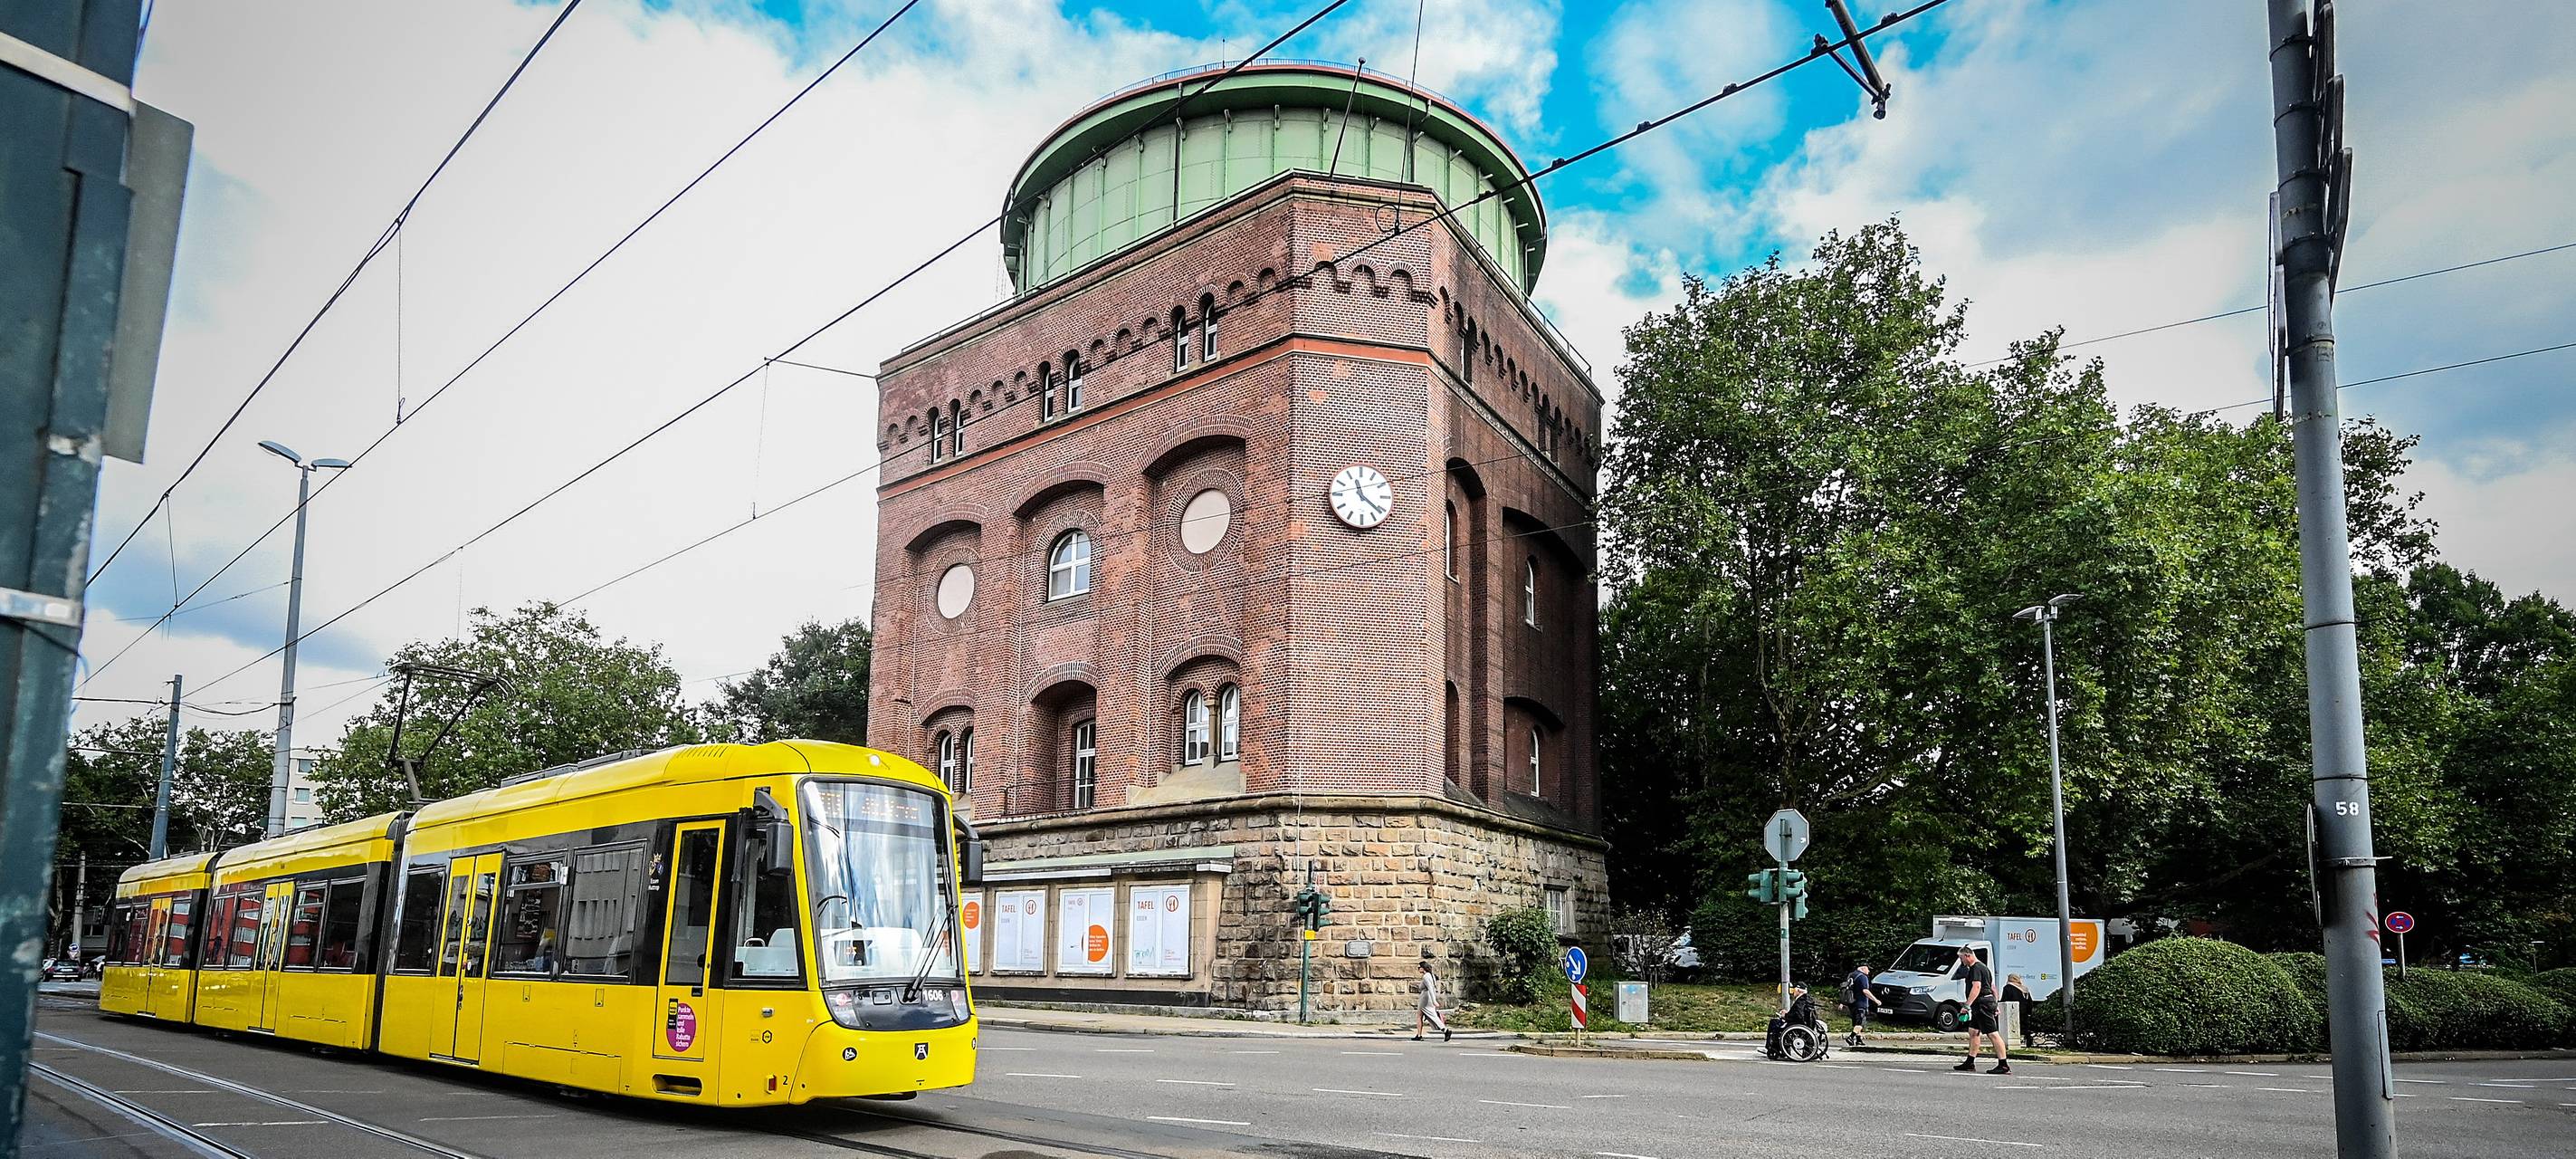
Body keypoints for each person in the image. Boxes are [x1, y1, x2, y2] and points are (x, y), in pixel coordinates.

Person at [1951, 945, 2009, 1075]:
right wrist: (1995, 1004)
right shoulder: (1984, 968)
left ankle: (2004, 1064)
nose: (1961, 961)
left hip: (1982, 1004)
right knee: (1973, 1031)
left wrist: (1966, 1006)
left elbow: (1977, 987)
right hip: (1984, 1004)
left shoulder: (1976, 968)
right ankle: (1970, 1062)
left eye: (1961, 958)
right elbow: (1993, 987)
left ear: (1968, 956)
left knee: (1992, 1033)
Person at [1766, 983, 1818, 1058]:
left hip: (1797, 1025)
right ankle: (1780, 1048)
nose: (1793, 992)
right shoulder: (1808, 999)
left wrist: (1785, 1016)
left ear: (1799, 990)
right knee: (1776, 1022)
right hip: (1806, 1025)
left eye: (1794, 990)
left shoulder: (1800, 1001)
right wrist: (1788, 1013)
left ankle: (1773, 1048)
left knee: (1774, 1023)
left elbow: (1798, 1016)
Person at [1414, 947, 1452, 1042]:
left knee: (1431, 1015)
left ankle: (1445, 1030)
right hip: (1427, 998)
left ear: (1423, 968)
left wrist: (1434, 1001)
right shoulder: (1431, 976)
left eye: (1419, 968)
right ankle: (1419, 1034)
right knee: (1420, 1015)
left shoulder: (1426, 977)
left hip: (1426, 999)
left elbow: (1430, 989)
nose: (1418, 969)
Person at [1843, 963, 1878, 1047]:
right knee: (1860, 1023)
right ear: (1863, 968)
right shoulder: (1863, 977)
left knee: (1856, 1022)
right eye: (1868, 969)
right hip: (1861, 1003)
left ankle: (1858, 1040)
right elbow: (1865, 991)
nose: (1869, 971)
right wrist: (1876, 1000)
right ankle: (1851, 1037)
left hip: (1852, 1003)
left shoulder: (1851, 975)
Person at [2001, 972, 2034, 1049]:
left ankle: (2013, 1042)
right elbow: (2030, 1002)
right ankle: (2028, 1039)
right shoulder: (2024, 989)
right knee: (2024, 1027)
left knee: (2013, 1027)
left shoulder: (2007, 987)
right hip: (2024, 1011)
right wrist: (2029, 1012)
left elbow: (2005, 1000)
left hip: (2013, 1011)